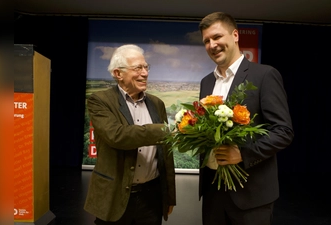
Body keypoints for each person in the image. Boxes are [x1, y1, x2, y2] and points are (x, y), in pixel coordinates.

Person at [198, 12, 294, 225]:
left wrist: (243, 153)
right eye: (207, 41)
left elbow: (283, 131)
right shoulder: (205, 82)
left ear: (235, 35)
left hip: (252, 196)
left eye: (217, 37)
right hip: (213, 193)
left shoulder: (265, 75)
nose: (212, 45)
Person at [84, 44, 176, 225]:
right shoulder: (100, 101)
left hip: (152, 198)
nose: (145, 73)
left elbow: (166, 153)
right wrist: (165, 130)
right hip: (114, 196)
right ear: (118, 74)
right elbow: (118, 135)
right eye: (138, 68)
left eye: (146, 67)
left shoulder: (157, 104)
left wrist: (169, 196)